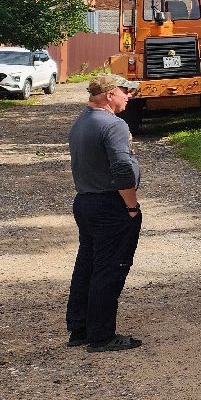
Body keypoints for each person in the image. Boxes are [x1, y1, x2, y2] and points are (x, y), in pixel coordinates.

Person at [65, 72, 144, 352]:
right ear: (109, 95)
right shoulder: (113, 124)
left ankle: (80, 327)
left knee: (87, 264)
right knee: (109, 268)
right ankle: (101, 336)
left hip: (85, 202)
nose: (129, 95)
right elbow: (122, 169)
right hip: (110, 205)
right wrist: (131, 206)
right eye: (124, 91)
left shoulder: (82, 122)